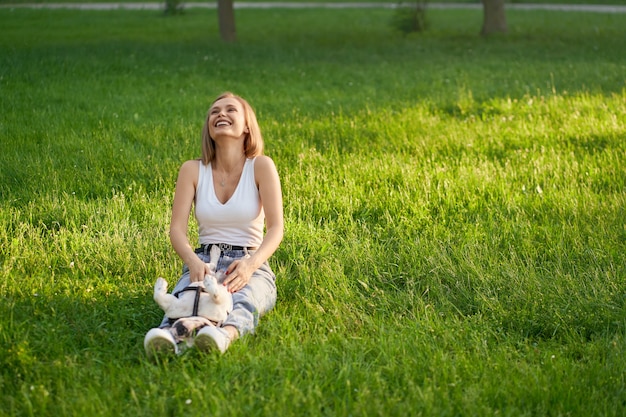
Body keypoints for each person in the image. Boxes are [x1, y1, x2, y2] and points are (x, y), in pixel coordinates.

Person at [144, 92, 284, 356]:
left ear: (246, 126)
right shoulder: (192, 170)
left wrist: (249, 266)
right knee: (185, 300)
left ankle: (222, 336)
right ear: (209, 128)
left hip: (248, 260)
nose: (220, 114)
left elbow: (277, 228)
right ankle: (166, 339)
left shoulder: (261, 166)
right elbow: (176, 230)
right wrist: (193, 262)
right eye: (214, 111)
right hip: (204, 260)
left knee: (243, 301)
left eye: (231, 110)